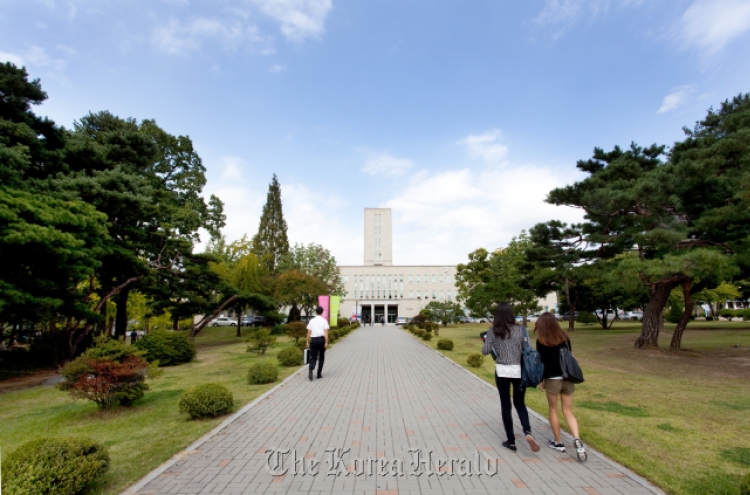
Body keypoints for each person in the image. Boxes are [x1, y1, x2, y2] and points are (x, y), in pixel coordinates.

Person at [482, 303, 540, 453]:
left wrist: (487, 340)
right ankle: (527, 431)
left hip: (502, 370)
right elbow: (528, 349)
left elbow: (485, 351)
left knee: (505, 406)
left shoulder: (493, 331)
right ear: (511, 314)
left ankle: (511, 441)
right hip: (518, 370)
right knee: (520, 403)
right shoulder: (521, 330)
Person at [534, 312, 587, 461]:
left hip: (552, 379)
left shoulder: (542, 340)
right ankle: (577, 439)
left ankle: (558, 442)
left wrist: (540, 380)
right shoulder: (565, 338)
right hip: (567, 377)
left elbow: (541, 362)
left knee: (553, 410)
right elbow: (569, 356)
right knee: (568, 410)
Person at [306, 306, 329, 381]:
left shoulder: (312, 321)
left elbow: (309, 331)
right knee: (321, 357)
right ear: (322, 312)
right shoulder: (324, 321)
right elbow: (325, 332)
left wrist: (307, 341)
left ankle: (311, 368)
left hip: (314, 340)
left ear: (316, 312)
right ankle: (319, 374)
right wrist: (326, 342)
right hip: (321, 340)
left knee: (313, 357)